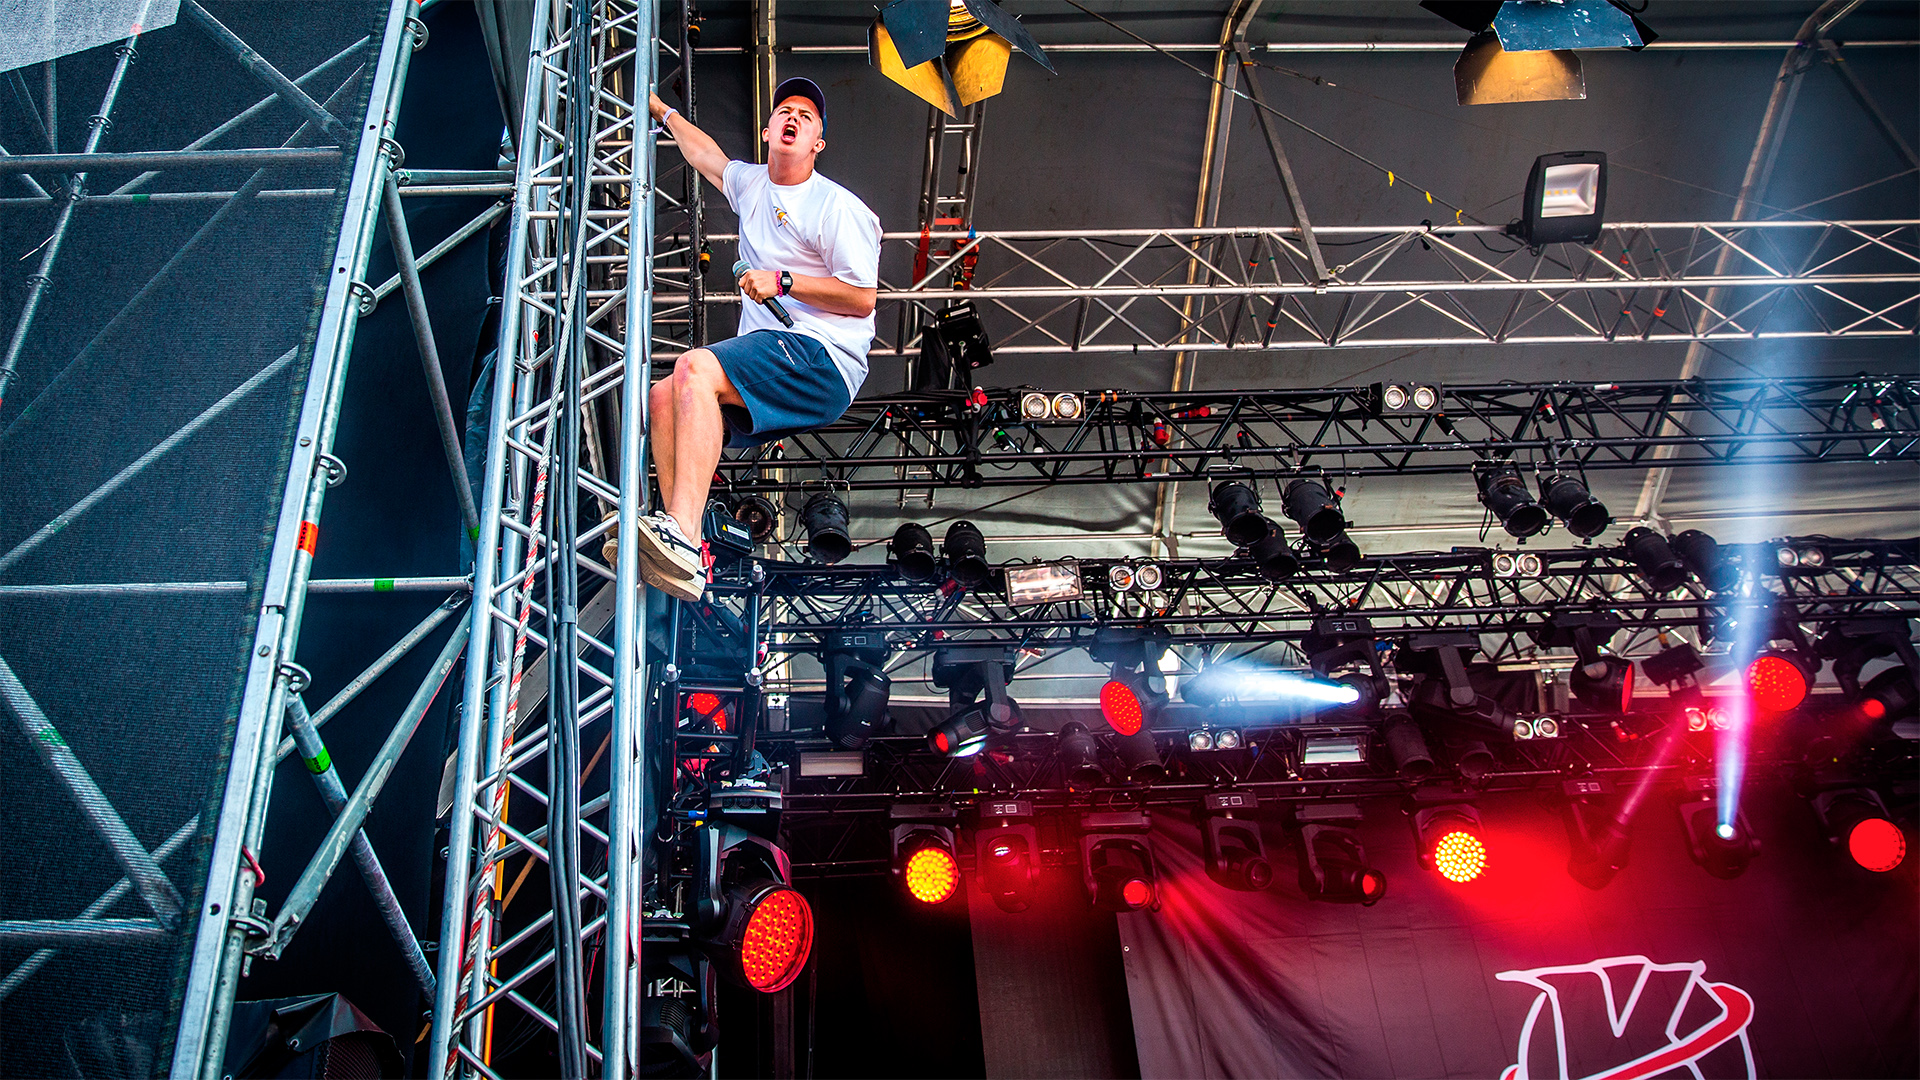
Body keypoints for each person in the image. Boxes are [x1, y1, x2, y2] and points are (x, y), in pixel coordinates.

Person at [633, 78, 880, 602]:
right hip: (781, 356)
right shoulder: (750, 185)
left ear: (818, 143)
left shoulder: (836, 207)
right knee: (663, 396)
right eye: (784, 111)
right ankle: (687, 547)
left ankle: (679, 529)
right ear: (767, 130)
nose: (792, 118)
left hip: (823, 356)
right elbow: (708, 157)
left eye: (806, 117)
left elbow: (862, 298)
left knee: (694, 369)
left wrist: (784, 281)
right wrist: (662, 113)